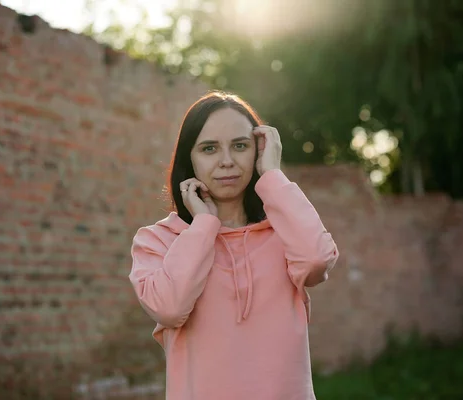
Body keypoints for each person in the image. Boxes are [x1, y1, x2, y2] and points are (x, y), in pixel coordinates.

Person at [129, 91, 339, 400]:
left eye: (240, 146)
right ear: (190, 158)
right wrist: (203, 227)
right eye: (209, 148)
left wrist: (273, 175)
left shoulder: (284, 232)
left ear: (257, 152)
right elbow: (169, 308)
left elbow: (317, 262)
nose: (226, 161)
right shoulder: (157, 240)